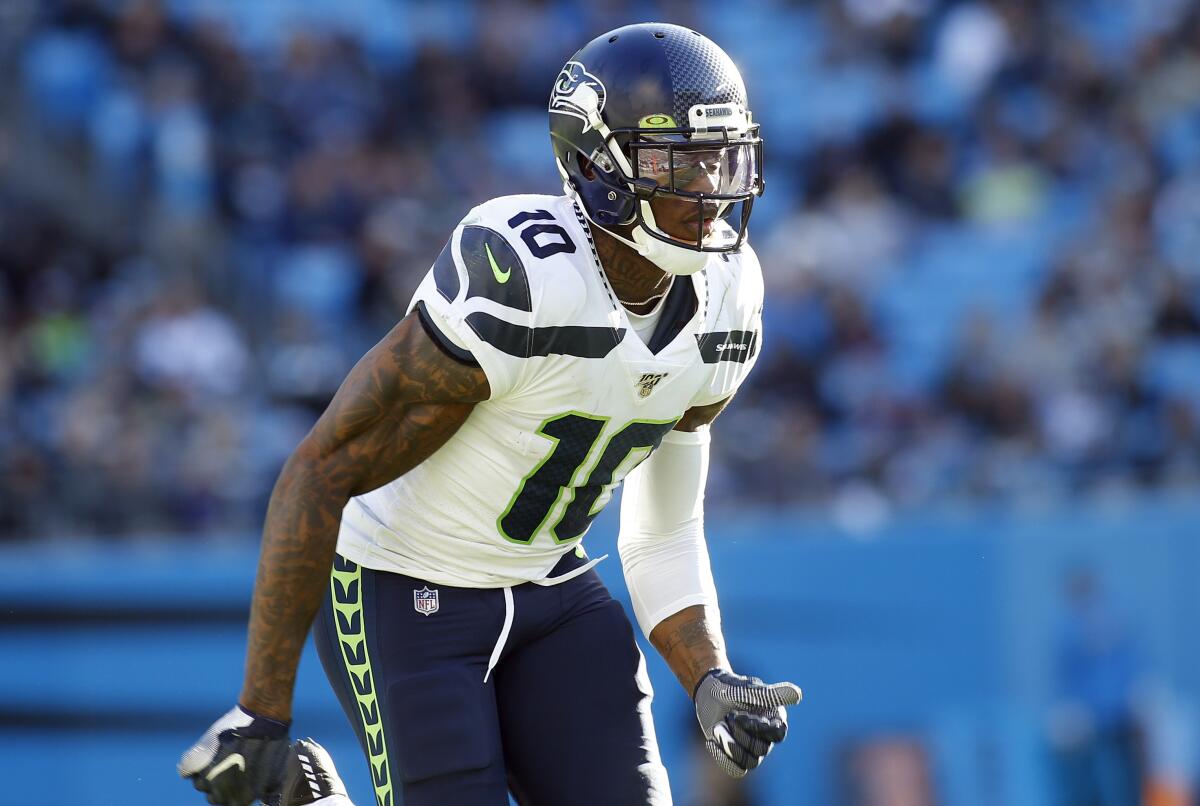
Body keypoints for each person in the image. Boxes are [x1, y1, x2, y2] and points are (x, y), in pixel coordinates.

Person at [179, 22, 802, 806]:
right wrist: (261, 712)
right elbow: (321, 468)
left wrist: (708, 677)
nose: (710, 186)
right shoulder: (525, 274)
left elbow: (664, 527)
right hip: (405, 588)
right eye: (679, 160)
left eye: (723, 155)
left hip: (553, 590)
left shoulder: (729, 296)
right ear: (598, 165)